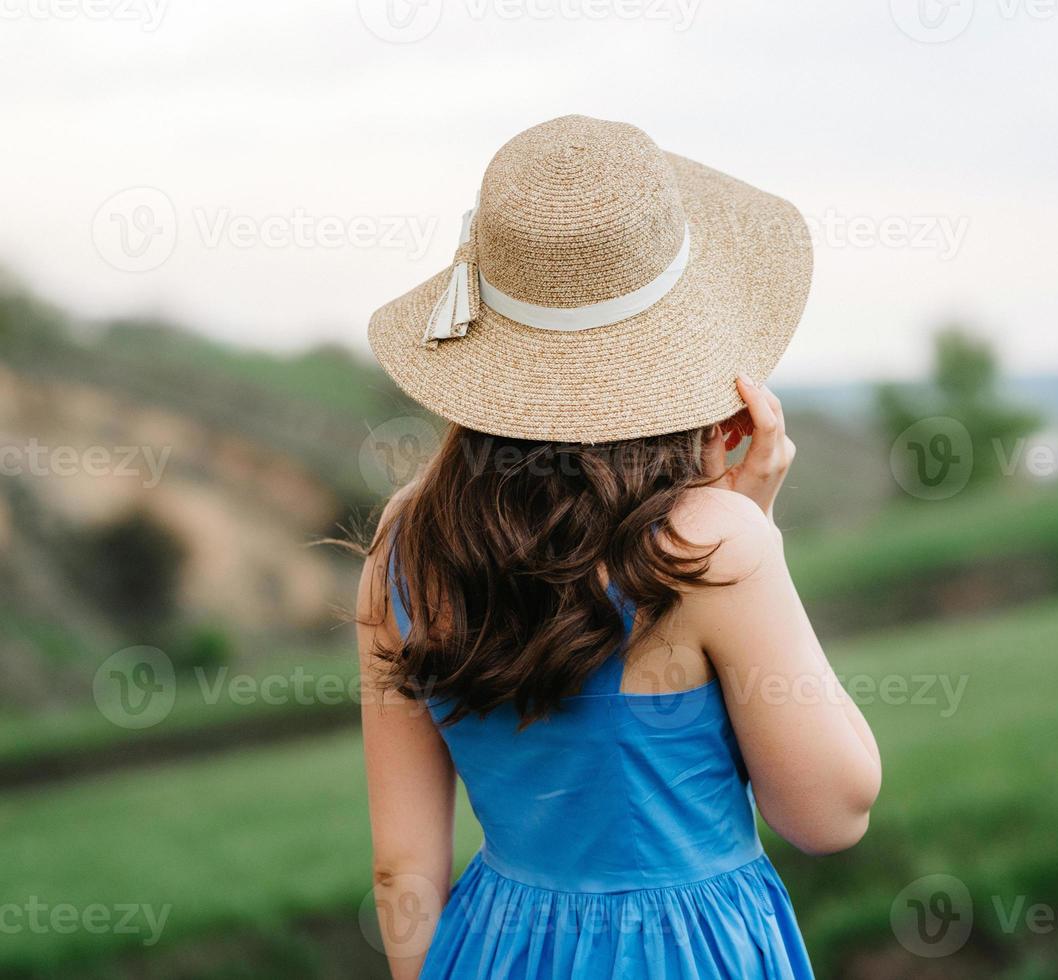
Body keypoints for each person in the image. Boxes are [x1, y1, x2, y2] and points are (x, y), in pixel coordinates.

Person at [356, 115, 881, 979]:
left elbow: (401, 869)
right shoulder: (719, 546)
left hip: (494, 948)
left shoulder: (403, 547)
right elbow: (832, 811)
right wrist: (757, 528)